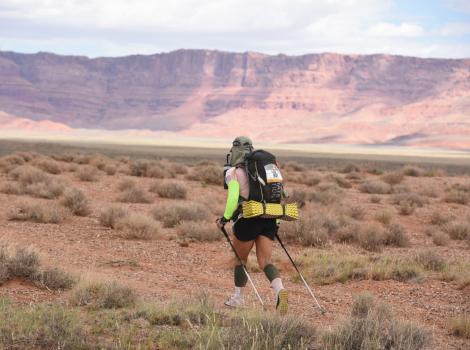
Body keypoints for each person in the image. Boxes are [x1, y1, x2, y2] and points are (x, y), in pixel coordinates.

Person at [216, 136, 288, 315]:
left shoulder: (234, 172)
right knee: (265, 261)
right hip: (269, 217)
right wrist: (276, 220)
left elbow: (233, 199)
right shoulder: (268, 168)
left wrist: (224, 219)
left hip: (248, 219)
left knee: (240, 259)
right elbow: (280, 195)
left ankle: (238, 298)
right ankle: (280, 291)